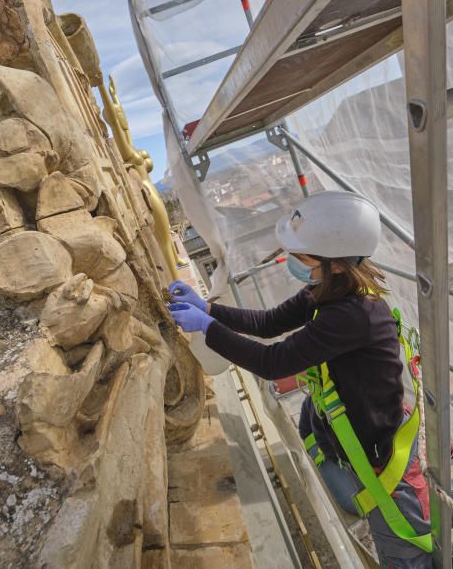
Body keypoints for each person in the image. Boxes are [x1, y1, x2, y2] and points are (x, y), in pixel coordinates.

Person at [167, 191, 433, 568]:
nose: (292, 262)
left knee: (404, 551)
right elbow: (269, 323)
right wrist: (209, 309)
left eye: (302, 256)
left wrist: (208, 328)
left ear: (336, 263)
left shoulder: (352, 315)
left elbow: (272, 361)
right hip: (352, 429)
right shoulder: (325, 291)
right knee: (351, 488)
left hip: (380, 457)